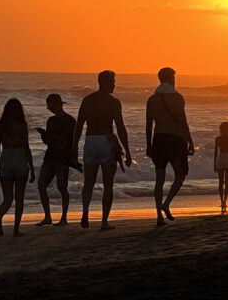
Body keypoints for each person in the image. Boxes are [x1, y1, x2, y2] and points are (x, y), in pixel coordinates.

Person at [72, 70, 132, 230]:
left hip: (90, 141)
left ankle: (85, 212)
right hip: (106, 141)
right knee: (108, 184)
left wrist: (74, 147)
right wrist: (127, 150)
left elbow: (78, 126)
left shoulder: (87, 100)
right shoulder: (113, 102)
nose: (114, 84)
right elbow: (120, 128)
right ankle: (104, 221)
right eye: (113, 81)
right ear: (106, 83)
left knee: (88, 182)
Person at [144, 67, 194, 226]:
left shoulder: (151, 100)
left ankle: (159, 215)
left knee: (159, 180)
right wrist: (190, 141)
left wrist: (148, 145)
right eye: (174, 77)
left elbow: (148, 125)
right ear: (171, 79)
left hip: (159, 139)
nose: (175, 80)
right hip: (176, 140)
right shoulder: (178, 98)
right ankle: (167, 203)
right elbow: (183, 122)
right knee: (180, 175)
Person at [0, 98, 34, 237]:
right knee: (19, 199)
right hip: (19, 159)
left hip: (5, 160)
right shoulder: (22, 126)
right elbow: (26, 148)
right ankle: (16, 229)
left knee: (8, 198)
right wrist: (32, 168)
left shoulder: (0, 126)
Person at [35, 93, 78, 226]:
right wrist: (44, 135)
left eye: (50, 106)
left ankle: (64, 217)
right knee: (41, 185)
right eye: (49, 107)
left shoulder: (70, 121)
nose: (50, 109)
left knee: (62, 187)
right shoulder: (51, 121)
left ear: (58, 104)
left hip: (63, 159)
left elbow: (73, 142)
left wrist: (73, 158)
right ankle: (47, 216)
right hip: (50, 157)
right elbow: (48, 142)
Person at [213, 122, 228, 213]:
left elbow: (215, 152)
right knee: (227, 182)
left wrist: (214, 164)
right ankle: (225, 201)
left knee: (220, 181)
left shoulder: (218, 139)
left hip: (221, 158)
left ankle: (221, 201)